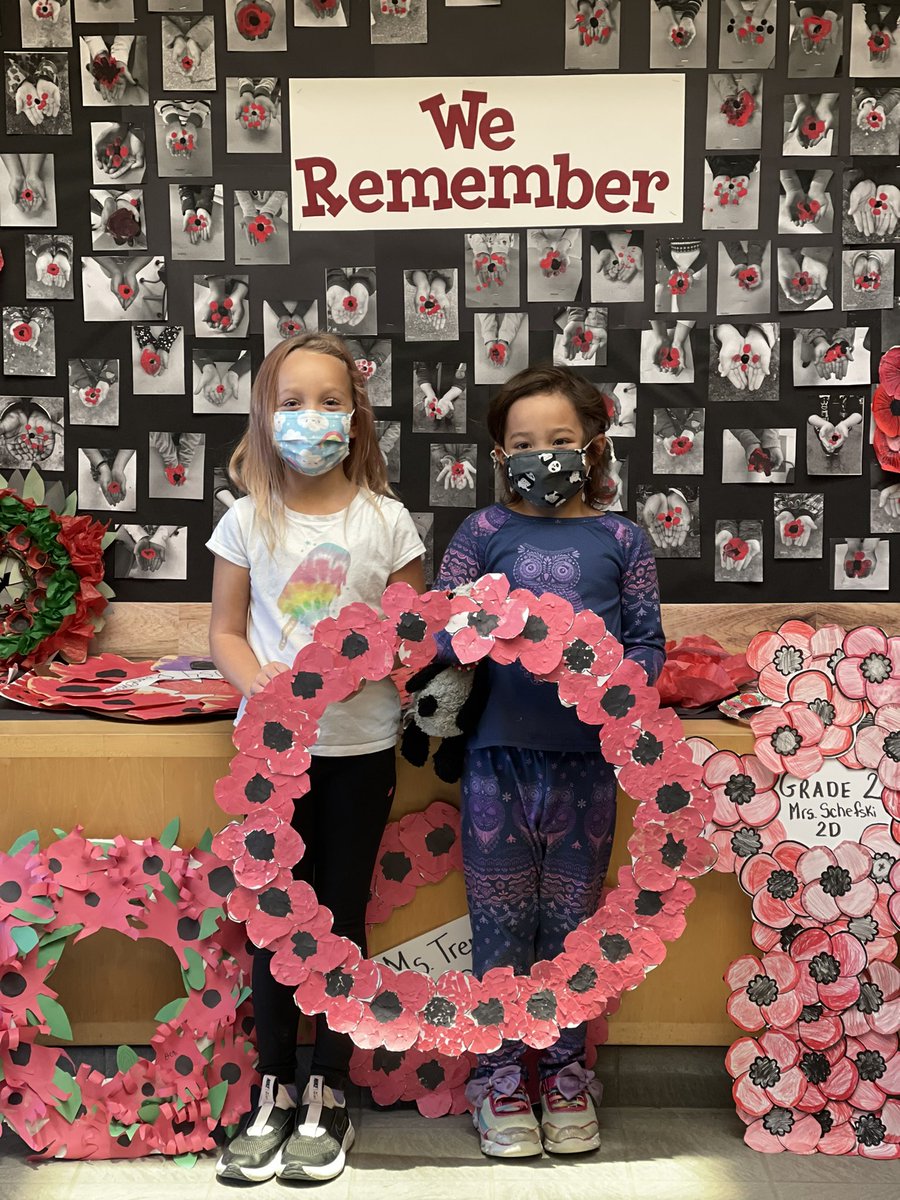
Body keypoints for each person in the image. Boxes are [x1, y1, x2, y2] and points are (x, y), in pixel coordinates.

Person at [207, 332, 425, 1184]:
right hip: (270, 762)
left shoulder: (385, 519)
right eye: (291, 402)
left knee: (337, 918)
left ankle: (329, 1090)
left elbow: (415, 634)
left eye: (328, 401)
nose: (310, 418)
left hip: (359, 750)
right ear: (266, 414)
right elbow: (224, 631)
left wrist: (388, 661)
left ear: (356, 414)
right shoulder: (245, 520)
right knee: (273, 926)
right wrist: (262, 683)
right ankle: (272, 1087)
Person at [434, 365, 665, 1159]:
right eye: (524, 444)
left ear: (593, 446)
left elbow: (646, 642)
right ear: (501, 453)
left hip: (588, 767)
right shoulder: (482, 533)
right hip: (497, 762)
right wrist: (483, 630)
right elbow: (438, 631)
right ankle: (498, 1081)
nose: (543, 457)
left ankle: (565, 1074)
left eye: (560, 442)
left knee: (573, 930)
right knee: (500, 928)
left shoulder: (623, 538)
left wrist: (615, 684)